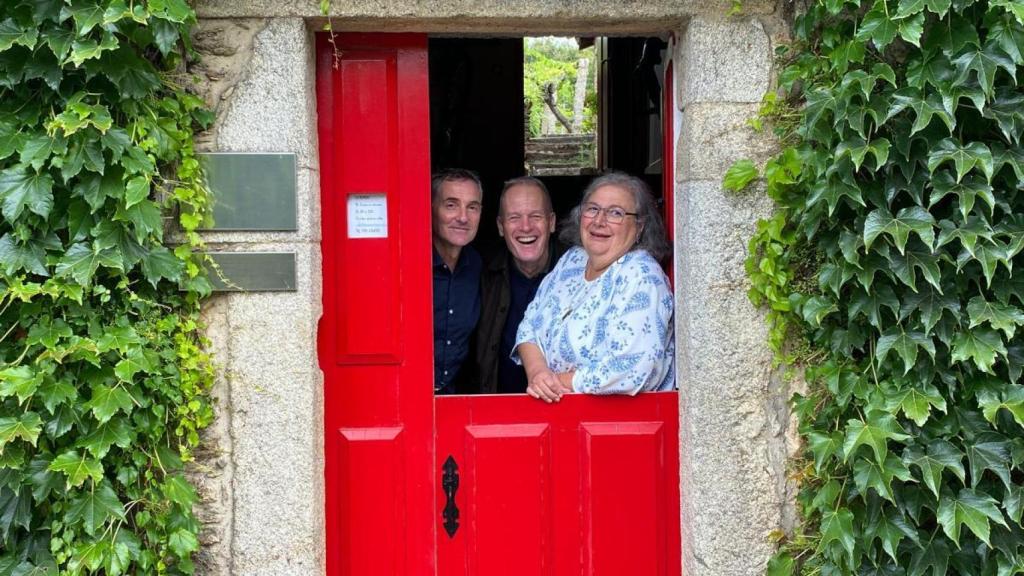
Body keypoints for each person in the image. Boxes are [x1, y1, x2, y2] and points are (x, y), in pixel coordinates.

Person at [513, 172, 674, 402]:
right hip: (555, 416)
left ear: (639, 227)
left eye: (616, 213)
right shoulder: (573, 260)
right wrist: (538, 373)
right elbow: (529, 326)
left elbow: (630, 369)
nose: (599, 221)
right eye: (592, 209)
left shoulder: (642, 276)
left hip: (617, 427)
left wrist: (553, 384)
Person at [475, 177, 562, 394]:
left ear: (551, 222)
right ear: (500, 226)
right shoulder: (480, 271)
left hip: (563, 406)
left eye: (535, 216)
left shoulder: (579, 271)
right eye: (514, 218)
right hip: (497, 408)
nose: (525, 227)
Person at [432, 169, 484, 394]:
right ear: (431, 208)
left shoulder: (479, 266)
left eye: (472, 207)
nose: (463, 217)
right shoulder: (407, 266)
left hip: (454, 399)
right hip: (403, 400)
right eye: (451, 205)